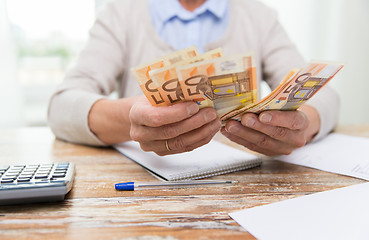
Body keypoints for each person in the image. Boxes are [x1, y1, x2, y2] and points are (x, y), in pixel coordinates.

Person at [48, 0, 339, 156]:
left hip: (242, 188)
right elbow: (62, 107)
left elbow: (324, 95)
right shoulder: (120, 14)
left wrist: (303, 125)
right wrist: (131, 119)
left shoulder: (260, 17)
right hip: (147, 189)